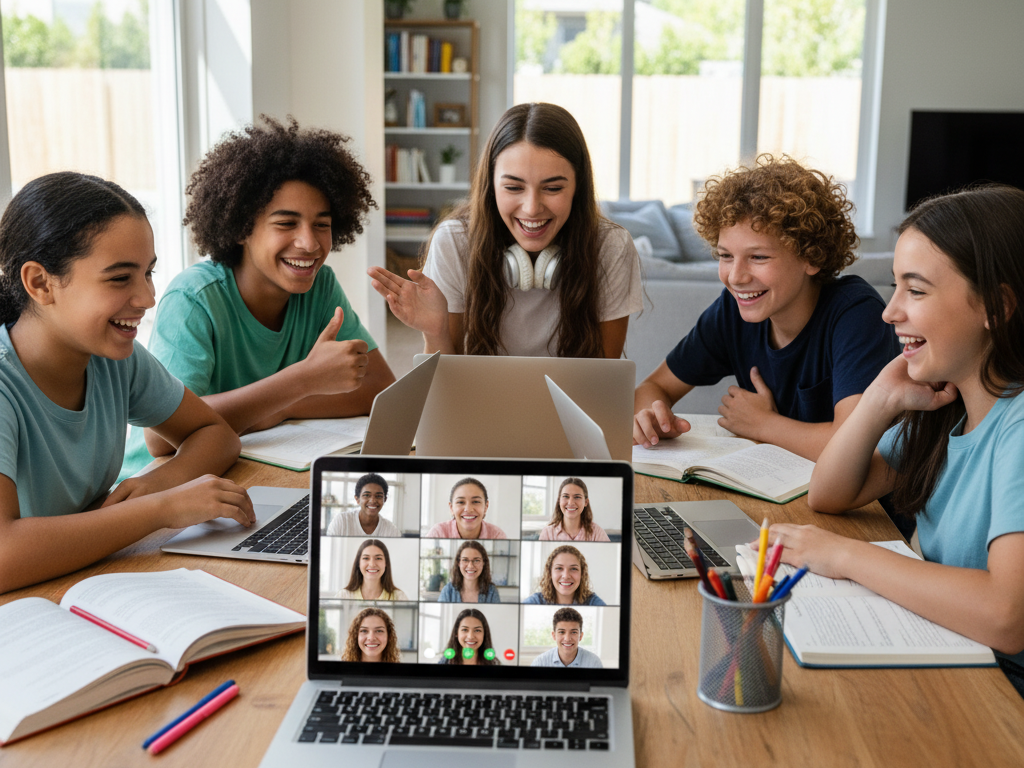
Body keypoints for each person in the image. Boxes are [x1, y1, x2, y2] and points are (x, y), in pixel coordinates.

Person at [773, 186, 1024, 698]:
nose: (889, 312)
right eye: (894, 287)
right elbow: (830, 495)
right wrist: (878, 401)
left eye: (916, 290)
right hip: (955, 657)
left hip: (1002, 697)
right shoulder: (946, 410)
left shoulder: (1017, 427)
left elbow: (1006, 616)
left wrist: (844, 557)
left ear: (996, 307)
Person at [0, 172, 254, 593]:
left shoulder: (113, 356)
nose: (147, 298)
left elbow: (215, 434)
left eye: (148, 273)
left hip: (82, 578)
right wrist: (160, 509)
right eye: (120, 278)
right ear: (40, 283)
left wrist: (156, 484)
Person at [121, 115, 396, 480]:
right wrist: (301, 382)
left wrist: (278, 409)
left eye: (322, 224)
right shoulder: (195, 298)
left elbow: (380, 392)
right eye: (286, 223)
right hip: (157, 487)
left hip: (242, 469)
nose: (310, 243)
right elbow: (160, 437)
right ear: (241, 229)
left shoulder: (320, 286)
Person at [633, 155, 900, 460]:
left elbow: (855, 446)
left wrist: (764, 425)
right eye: (725, 255)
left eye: (758, 257)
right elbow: (653, 386)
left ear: (811, 257)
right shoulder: (733, 311)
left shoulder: (856, 313)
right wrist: (652, 418)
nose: (735, 277)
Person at [368, 102, 642, 358]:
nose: (532, 208)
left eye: (553, 188)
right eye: (513, 187)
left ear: (578, 187)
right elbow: (442, 387)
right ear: (491, 186)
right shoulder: (454, 242)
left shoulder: (610, 246)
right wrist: (434, 331)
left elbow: (605, 379)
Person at [426, 477, 508, 540]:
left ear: (486, 506)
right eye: (461, 502)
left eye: (476, 502)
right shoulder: (438, 532)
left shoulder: (497, 535)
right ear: (451, 508)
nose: (468, 509)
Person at [524, 545, 606, 605]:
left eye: (573, 569)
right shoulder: (536, 601)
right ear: (549, 573)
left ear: (582, 574)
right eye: (559, 568)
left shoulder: (593, 602)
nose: (566, 576)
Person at [326, 472, 402, 537]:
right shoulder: (341, 521)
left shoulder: (392, 531)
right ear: (357, 499)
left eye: (378, 496)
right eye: (366, 495)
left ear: (384, 500)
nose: (372, 500)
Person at [539, 477, 610, 542]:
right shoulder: (547, 533)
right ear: (559, 501)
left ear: (586, 502)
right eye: (566, 496)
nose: (570, 503)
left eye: (577, 497)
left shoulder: (597, 533)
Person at [336, 539, 409, 601]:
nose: (372, 564)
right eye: (366, 558)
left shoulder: (399, 597)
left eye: (378, 558)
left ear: (386, 563)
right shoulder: (343, 596)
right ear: (358, 563)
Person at [531, 607, 603, 668]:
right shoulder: (539, 663)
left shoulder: (594, 663)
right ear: (554, 635)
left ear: (580, 636)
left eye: (574, 632)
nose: (567, 639)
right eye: (562, 632)